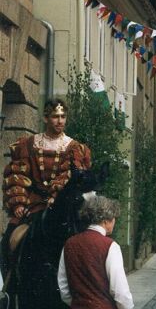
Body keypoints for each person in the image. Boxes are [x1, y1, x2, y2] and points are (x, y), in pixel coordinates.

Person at [1, 98, 91, 292]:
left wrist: (57, 195)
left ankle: (87, 288)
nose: (60, 121)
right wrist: (18, 203)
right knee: (9, 239)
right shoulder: (30, 144)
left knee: (87, 240)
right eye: (55, 117)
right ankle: (9, 291)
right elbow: (18, 174)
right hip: (32, 205)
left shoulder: (74, 148)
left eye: (63, 117)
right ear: (45, 118)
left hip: (62, 205)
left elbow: (71, 176)